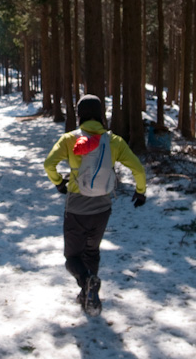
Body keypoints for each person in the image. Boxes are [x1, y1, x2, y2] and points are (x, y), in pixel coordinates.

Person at [44, 94, 147, 316]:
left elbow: (49, 164)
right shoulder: (114, 141)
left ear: (80, 115)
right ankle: (90, 295)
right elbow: (138, 168)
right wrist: (140, 192)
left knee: (72, 258)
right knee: (91, 252)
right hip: (102, 208)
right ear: (101, 115)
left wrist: (59, 183)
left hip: (76, 207)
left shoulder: (69, 139)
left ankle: (86, 282)